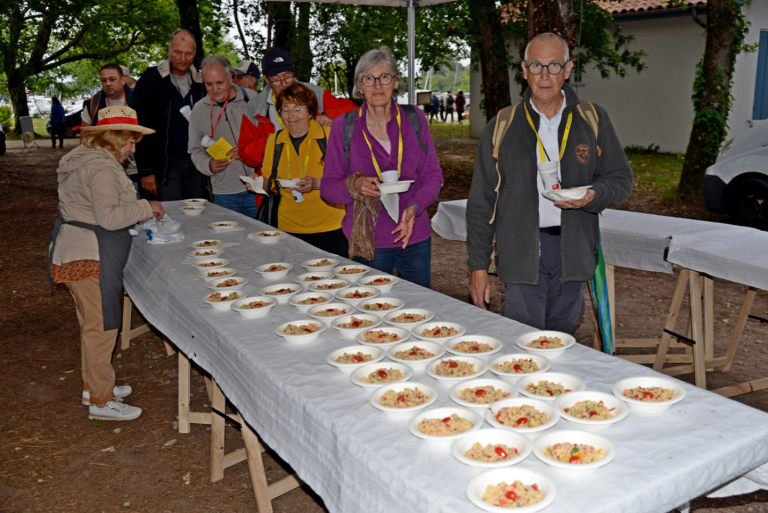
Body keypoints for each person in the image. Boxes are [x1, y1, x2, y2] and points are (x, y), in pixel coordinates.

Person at [466, 32, 633, 334]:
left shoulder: (592, 119)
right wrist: (478, 266)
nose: (544, 75)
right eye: (536, 66)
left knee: (561, 343)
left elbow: (621, 179)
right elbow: (481, 203)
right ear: (524, 69)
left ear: (568, 70)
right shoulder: (502, 125)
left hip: (574, 253)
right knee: (522, 346)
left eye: (554, 65)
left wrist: (593, 195)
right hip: (520, 254)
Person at [49, 105, 165, 421]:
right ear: (113, 138)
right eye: (129, 140)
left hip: (74, 252)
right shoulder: (100, 168)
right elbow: (110, 217)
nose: (133, 147)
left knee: (92, 325)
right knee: (102, 327)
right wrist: (145, 207)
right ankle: (101, 402)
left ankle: (94, 385)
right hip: (89, 255)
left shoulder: (90, 161)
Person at [321, 47, 443, 288]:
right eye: (369, 78)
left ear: (395, 82)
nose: (377, 85)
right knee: (370, 313)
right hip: (369, 242)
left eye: (384, 77)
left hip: (415, 237)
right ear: (359, 86)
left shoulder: (414, 119)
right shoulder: (343, 127)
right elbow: (328, 187)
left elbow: (433, 176)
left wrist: (414, 206)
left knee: (419, 310)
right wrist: (354, 186)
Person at [246, 83, 346, 255]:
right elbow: (269, 183)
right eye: (285, 110)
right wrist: (257, 183)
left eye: (298, 109)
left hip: (330, 228)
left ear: (310, 112)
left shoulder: (330, 137)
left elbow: (347, 180)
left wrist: (317, 183)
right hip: (288, 229)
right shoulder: (274, 141)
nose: (291, 116)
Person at [238, 47, 357, 174]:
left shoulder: (314, 93)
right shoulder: (255, 107)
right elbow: (245, 154)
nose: (284, 84)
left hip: (315, 174)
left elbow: (354, 111)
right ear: (266, 79)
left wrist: (331, 115)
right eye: (277, 79)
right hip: (276, 181)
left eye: (287, 76)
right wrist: (267, 144)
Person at [132, 29, 206, 201]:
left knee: (196, 214)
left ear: (194, 54)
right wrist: (146, 171)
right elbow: (138, 127)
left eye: (188, 54)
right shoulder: (151, 80)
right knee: (171, 216)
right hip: (165, 165)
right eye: (178, 52)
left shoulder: (201, 84)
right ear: (169, 50)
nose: (183, 58)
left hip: (197, 162)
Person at [188, 56, 257, 217]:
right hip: (224, 193)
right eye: (209, 84)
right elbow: (195, 149)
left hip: (257, 188)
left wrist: (248, 151)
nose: (215, 89)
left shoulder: (252, 100)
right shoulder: (198, 110)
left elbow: (271, 138)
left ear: (230, 77)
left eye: (220, 83)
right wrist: (208, 165)